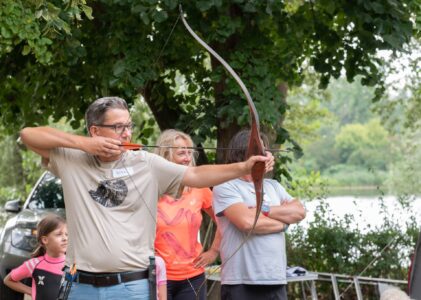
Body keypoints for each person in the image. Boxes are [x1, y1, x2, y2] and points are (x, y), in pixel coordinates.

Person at [19, 96, 274, 300]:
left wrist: (245, 168)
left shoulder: (145, 162)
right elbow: (29, 134)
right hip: (81, 286)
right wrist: (85, 145)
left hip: (133, 286)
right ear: (95, 130)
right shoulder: (71, 159)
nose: (126, 133)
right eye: (117, 127)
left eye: (128, 126)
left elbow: (195, 175)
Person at [212, 129, 306, 300]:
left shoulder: (273, 186)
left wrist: (263, 209)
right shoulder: (225, 186)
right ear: (245, 153)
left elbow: (299, 211)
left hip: (275, 279)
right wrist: (283, 224)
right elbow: (247, 222)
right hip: (240, 282)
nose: (268, 155)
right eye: (261, 151)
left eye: (267, 150)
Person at [154, 129, 221, 300]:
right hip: (157, 275)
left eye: (189, 153)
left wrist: (213, 251)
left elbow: (223, 219)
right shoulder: (151, 187)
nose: (187, 158)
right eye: (181, 153)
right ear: (166, 155)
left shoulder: (199, 188)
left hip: (193, 276)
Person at [3, 214, 67, 300]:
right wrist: (31, 291)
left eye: (66, 234)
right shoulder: (34, 264)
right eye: (59, 234)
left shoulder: (72, 264)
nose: (65, 238)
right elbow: (8, 280)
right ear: (45, 240)